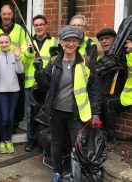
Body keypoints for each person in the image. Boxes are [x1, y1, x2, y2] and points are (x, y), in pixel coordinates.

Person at [34, 25, 101, 181]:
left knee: (76, 146)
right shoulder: (54, 61)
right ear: (61, 43)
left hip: (77, 114)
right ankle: (57, 172)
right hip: (56, 112)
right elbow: (45, 86)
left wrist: (96, 112)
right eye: (67, 40)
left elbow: (94, 90)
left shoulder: (86, 62)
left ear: (78, 42)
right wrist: (38, 69)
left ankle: (75, 174)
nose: (70, 44)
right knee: (56, 144)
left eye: (74, 41)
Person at [21, 15, 58, 152]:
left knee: (47, 114)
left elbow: (57, 62)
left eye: (41, 24)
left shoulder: (54, 42)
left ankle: (44, 142)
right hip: (31, 84)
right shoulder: (28, 42)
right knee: (30, 115)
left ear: (46, 25)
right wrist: (29, 53)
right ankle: (31, 140)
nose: (39, 27)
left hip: (48, 84)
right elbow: (22, 64)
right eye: (36, 25)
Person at [96, 28, 132, 142]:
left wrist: (129, 52)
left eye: (107, 38)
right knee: (99, 100)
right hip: (108, 94)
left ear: (115, 40)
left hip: (126, 96)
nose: (104, 41)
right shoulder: (102, 59)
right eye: (101, 40)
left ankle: (109, 136)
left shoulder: (124, 54)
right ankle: (98, 132)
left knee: (107, 102)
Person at [0, 33, 24, 154]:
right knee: (4, 118)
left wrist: (18, 57)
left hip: (15, 91)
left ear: (10, 43)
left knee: (10, 118)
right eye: (2, 42)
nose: (4, 44)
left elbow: (20, 71)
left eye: (6, 42)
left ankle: (8, 140)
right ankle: (1, 140)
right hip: (2, 92)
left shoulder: (14, 54)